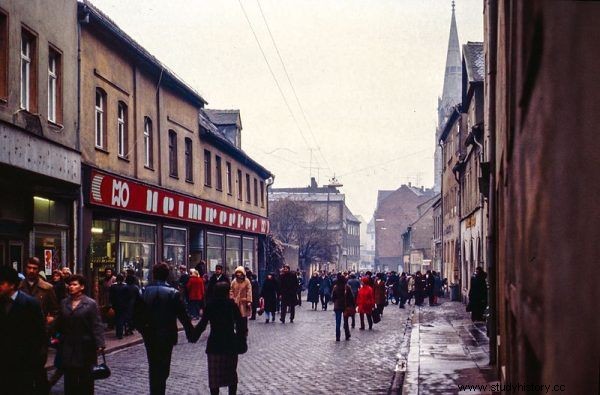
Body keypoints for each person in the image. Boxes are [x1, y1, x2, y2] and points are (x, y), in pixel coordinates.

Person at [134, 263, 194, 395]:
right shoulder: (173, 293)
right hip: (167, 335)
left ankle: (155, 391)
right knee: (164, 366)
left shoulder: (144, 291)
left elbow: (136, 315)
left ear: (154, 274)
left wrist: (143, 330)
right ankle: (159, 390)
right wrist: (191, 333)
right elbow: (183, 316)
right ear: (167, 275)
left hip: (150, 335)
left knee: (153, 365)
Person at [55, 274, 106, 395]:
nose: (71, 287)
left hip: (85, 347)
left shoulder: (90, 304)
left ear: (81, 287)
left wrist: (100, 343)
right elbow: (59, 322)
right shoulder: (64, 303)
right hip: (68, 345)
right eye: (70, 285)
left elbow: (96, 324)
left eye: (74, 284)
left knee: (86, 379)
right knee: (70, 379)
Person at [0, 266, 47, 394]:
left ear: (12, 285)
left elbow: (40, 334)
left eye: (2, 283)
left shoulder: (30, 304)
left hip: (24, 363)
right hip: (4, 362)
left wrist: (36, 361)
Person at [192, 282, 244, 395]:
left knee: (214, 378)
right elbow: (241, 324)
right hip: (230, 343)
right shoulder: (231, 305)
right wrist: (242, 341)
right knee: (231, 375)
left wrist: (193, 336)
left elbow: (202, 324)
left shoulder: (210, 305)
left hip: (214, 344)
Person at [19, 256, 59, 392]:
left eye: (34, 268)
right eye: (29, 268)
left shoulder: (47, 288)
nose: (31, 271)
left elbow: (55, 311)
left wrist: (48, 328)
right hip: (20, 335)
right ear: (25, 268)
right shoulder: (18, 287)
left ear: (39, 270)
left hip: (40, 336)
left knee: (38, 367)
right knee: (22, 369)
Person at [331, 273, 354, 341]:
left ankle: (337, 336)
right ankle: (347, 335)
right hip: (345, 306)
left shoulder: (335, 287)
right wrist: (352, 305)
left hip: (337, 306)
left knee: (338, 322)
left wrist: (335, 300)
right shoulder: (347, 287)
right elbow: (351, 297)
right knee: (345, 322)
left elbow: (333, 297)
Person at [229, 266, 252, 336]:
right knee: (235, 317)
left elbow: (249, 291)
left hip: (243, 302)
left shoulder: (247, 281)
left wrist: (248, 301)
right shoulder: (234, 281)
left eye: (240, 273)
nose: (238, 274)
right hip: (235, 302)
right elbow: (231, 290)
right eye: (237, 273)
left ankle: (245, 330)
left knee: (243, 317)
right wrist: (231, 298)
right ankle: (237, 330)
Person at [109, 273, 131, 339]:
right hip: (124, 305)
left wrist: (111, 304)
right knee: (122, 318)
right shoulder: (126, 286)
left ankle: (118, 332)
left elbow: (111, 296)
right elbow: (128, 297)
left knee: (118, 318)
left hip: (116, 305)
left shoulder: (113, 286)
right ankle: (121, 332)